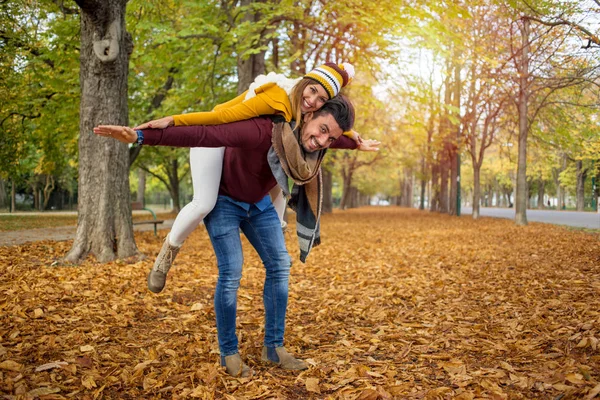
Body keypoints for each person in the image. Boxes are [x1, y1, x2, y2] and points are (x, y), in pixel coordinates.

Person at [94, 95, 360, 377]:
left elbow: (339, 137)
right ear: (308, 115)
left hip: (258, 205)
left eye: (330, 139)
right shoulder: (260, 130)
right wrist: (139, 136)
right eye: (321, 131)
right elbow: (204, 131)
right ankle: (229, 353)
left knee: (281, 265)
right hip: (224, 201)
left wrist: (356, 141)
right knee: (232, 271)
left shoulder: (311, 143)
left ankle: (273, 348)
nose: (322, 142)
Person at [136, 63, 377, 295]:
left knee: (281, 177)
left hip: (234, 139)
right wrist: (174, 120)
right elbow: (221, 119)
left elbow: (331, 129)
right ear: (306, 81)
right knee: (204, 203)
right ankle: (167, 253)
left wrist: (355, 140)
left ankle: (276, 243)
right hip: (213, 134)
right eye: (312, 90)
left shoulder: (306, 114)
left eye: (322, 99)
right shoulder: (275, 97)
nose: (313, 101)